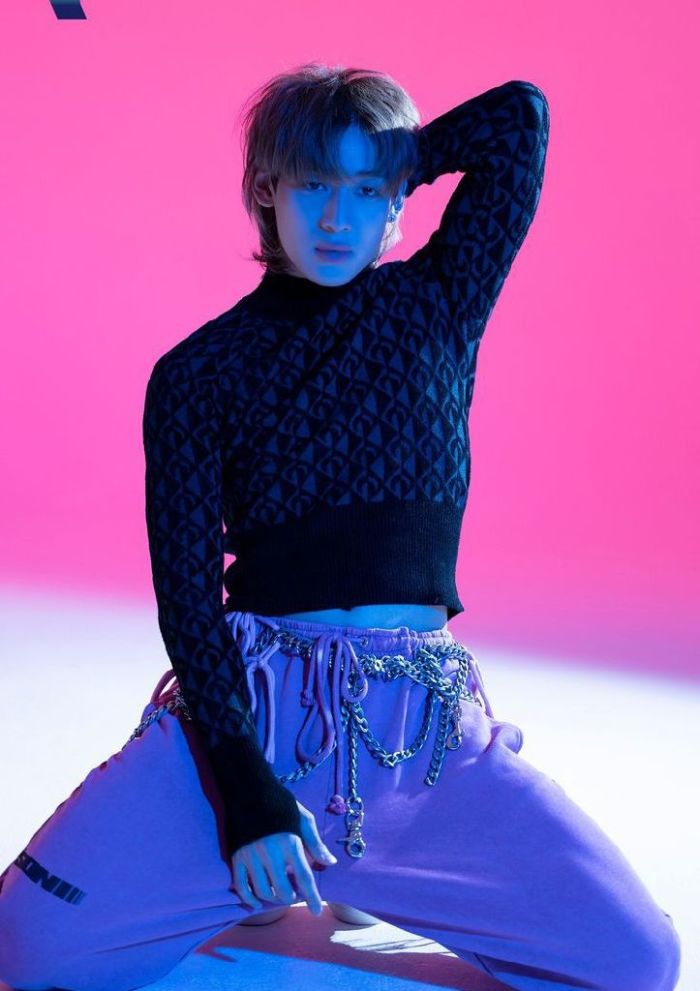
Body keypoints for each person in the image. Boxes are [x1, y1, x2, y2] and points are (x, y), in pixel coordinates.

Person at [0, 62, 681, 991]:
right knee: (31, 942)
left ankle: (374, 873)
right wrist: (246, 797)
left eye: (365, 192)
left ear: (396, 203)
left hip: (419, 736)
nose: (336, 217)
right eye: (313, 183)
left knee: (636, 961)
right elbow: (189, 603)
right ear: (266, 191)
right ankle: (259, 865)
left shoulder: (437, 303)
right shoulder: (197, 373)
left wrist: (399, 160)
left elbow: (519, 121)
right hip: (257, 714)